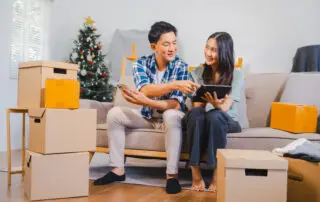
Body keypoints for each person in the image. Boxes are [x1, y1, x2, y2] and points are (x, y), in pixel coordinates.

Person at [93, 21, 199, 194]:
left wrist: (146, 100)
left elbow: (174, 104)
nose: (172, 48)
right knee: (114, 114)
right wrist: (175, 85)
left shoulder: (181, 66)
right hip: (147, 117)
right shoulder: (140, 64)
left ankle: (172, 176)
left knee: (171, 115)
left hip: (170, 117)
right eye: (166, 44)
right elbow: (146, 90)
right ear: (153, 46)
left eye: (174, 43)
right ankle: (117, 170)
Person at [183, 32, 243, 192]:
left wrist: (216, 104)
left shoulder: (236, 74)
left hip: (227, 119)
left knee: (215, 115)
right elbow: (197, 108)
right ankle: (195, 172)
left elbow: (225, 108)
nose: (208, 53)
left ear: (224, 52)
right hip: (205, 117)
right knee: (195, 114)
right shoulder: (197, 72)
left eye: (214, 50)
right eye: (207, 47)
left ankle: (217, 175)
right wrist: (203, 100)